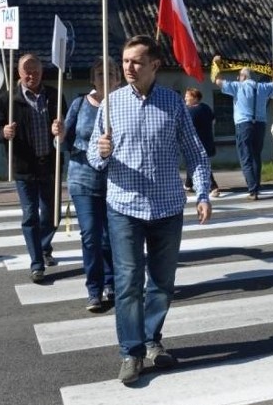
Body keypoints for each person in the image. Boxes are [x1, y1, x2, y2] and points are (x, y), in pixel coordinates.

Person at [87, 35, 213, 385]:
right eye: (125, 61)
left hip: (167, 208)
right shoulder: (110, 105)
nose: (128, 68)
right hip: (124, 207)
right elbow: (93, 159)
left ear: (154, 65)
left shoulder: (173, 104)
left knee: (161, 283)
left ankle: (152, 340)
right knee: (128, 283)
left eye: (136, 61)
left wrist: (203, 193)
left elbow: (196, 153)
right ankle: (131, 351)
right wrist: (103, 151)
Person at [52, 57, 119, 312]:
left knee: (110, 236)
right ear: (92, 79)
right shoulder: (80, 104)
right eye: (100, 73)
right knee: (91, 234)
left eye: (111, 73)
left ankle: (112, 282)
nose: (106, 78)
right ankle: (94, 289)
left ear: (118, 78)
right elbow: (63, 142)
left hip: (114, 180)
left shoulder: (123, 104)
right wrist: (59, 134)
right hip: (82, 177)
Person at [0, 53, 63, 283]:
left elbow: (69, 124)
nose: (32, 75)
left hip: (50, 164)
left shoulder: (54, 95)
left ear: (42, 72)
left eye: (36, 71)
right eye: (27, 71)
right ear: (19, 74)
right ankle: (37, 263)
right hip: (23, 166)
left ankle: (43, 246)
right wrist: (4, 133)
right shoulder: (8, 100)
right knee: (30, 214)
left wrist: (62, 129)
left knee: (52, 214)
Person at [213, 58, 273, 200]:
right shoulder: (262, 87)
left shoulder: (238, 86)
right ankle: (256, 186)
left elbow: (218, 81)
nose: (238, 78)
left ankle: (252, 189)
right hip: (260, 124)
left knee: (245, 157)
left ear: (243, 77)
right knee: (256, 156)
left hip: (244, 124)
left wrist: (217, 65)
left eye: (239, 76)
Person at [183, 87, 220, 197]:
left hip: (196, 144)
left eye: (187, 96)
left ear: (194, 98)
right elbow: (214, 121)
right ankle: (188, 184)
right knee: (193, 163)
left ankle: (214, 187)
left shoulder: (191, 111)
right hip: (208, 141)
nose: (185, 98)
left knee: (202, 165)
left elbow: (186, 128)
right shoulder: (206, 107)